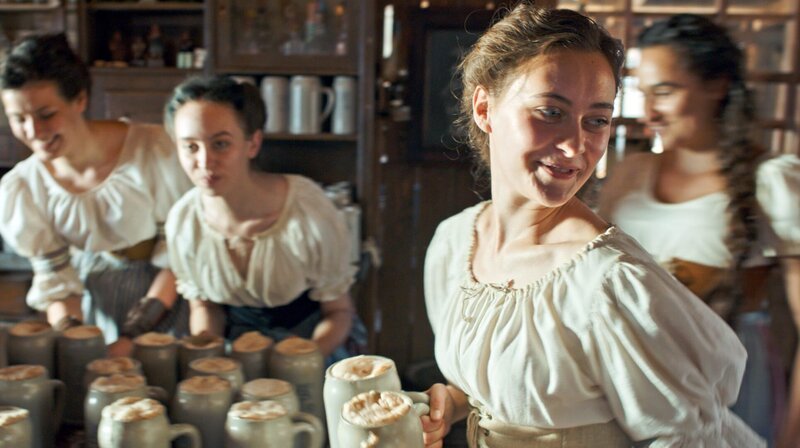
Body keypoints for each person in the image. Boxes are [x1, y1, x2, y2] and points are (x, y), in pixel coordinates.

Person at [421, 4, 765, 447]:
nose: (574, 146)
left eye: (597, 120)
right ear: (485, 108)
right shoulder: (454, 245)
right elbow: (515, 386)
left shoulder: (610, 283)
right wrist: (453, 401)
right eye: (550, 111)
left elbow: (688, 438)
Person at [598, 14, 800, 447]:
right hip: (631, 381)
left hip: (729, 387)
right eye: (644, 92)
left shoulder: (772, 180)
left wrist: (791, 437)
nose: (650, 111)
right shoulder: (629, 174)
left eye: (666, 91)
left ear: (717, 86)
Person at [0, 33, 191, 352]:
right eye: (19, 119)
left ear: (80, 99)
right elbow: (58, 285)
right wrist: (75, 336)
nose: (34, 132)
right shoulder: (25, 187)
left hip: (165, 306)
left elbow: (180, 260)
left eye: (46, 115)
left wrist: (134, 334)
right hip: (94, 307)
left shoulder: (156, 151)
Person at [163, 75, 364, 364]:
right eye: (191, 147)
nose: (205, 162)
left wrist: (300, 362)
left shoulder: (307, 210)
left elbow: (339, 312)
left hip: (312, 344)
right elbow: (205, 307)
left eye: (220, 144)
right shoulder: (184, 222)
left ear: (253, 143)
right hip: (234, 350)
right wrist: (210, 354)